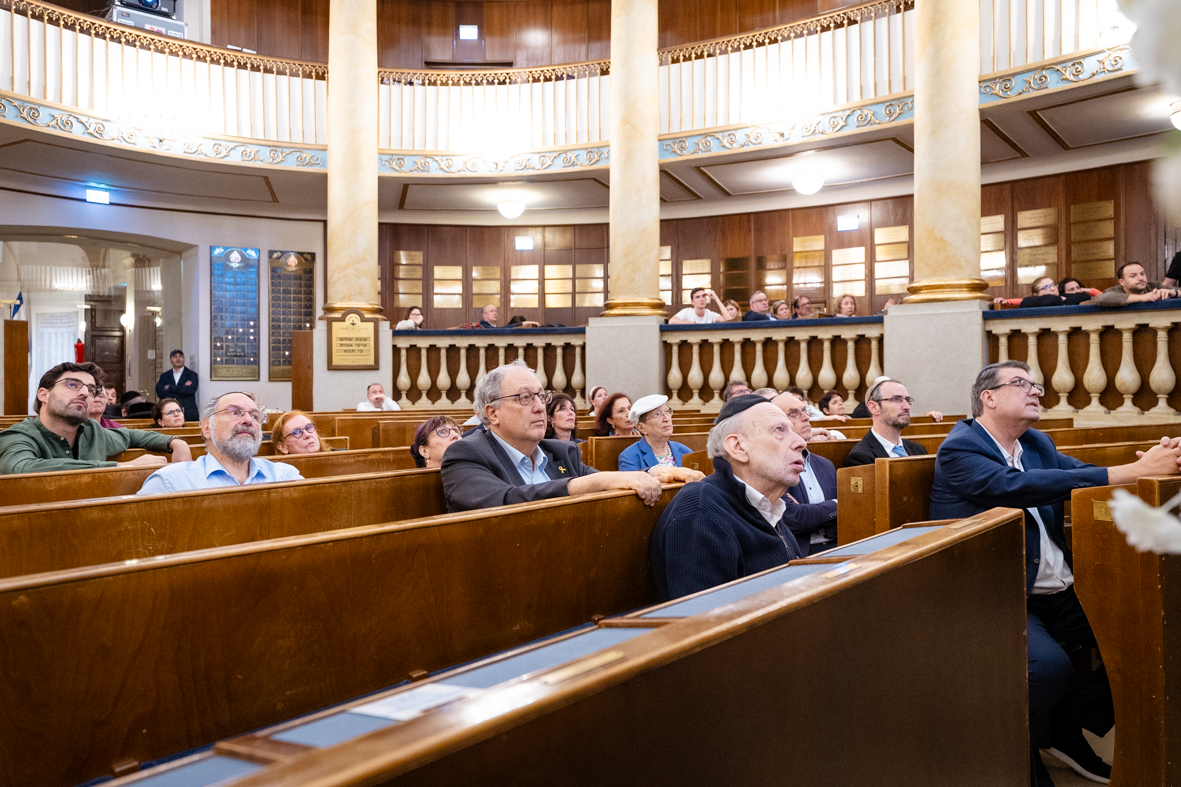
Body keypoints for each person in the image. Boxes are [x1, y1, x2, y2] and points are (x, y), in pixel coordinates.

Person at [930, 361, 1181, 786]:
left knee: (1155, 633)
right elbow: (1015, 487)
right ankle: (1020, 749)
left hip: (1056, 591)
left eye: (1037, 384)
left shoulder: (1037, 443)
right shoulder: (961, 449)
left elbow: (1078, 475)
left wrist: (1154, 463)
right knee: (1048, 667)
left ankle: (1067, 721)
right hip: (995, 593)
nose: (1036, 391)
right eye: (1022, 384)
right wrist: (1131, 472)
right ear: (987, 398)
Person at [440, 360, 697, 513]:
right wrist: (589, 484)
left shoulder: (561, 452)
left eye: (541, 396)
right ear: (492, 413)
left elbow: (601, 480)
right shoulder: (466, 454)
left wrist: (654, 474)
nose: (541, 406)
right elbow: (506, 503)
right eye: (525, 398)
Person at [649, 394, 806, 601]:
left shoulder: (766, 505)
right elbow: (705, 622)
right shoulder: (699, 511)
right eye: (779, 430)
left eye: (793, 431)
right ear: (738, 448)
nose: (801, 442)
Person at [0, 362, 192, 475]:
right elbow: (21, 468)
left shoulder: (93, 432)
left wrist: (176, 443)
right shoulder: (18, 436)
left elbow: (132, 436)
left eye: (91, 390)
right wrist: (121, 467)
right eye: (72, 385)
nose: (85, 393)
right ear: (44, 395)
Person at [137, 392, 303, 494]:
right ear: (207, 427)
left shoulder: (285, 477)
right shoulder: (171, 483)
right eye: (234, 412)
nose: (248, 420)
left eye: (254, 416)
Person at [772, 391, 838, 555]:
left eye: (805, 410)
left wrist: (810, 512)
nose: (806, 417)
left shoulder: (825, 465)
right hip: (798, 554)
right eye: (794, 413)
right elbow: (794, 518)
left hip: (838, 546)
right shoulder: (772, 467)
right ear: (776, 425)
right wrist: (837, 504)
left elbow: (849, 512)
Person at [843, 377, 930, 466]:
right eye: (896, 399)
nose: (906, 406)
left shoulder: (919, 450)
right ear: (874, 407)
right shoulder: (861, 457)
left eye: (907, 400)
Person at [618, 395, 694, 471]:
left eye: (667, 411)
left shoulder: (685, 451)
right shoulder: (630, 457)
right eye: (657, 414)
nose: (666, 419)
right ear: (641, 427)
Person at [1093, 261, 1180, 306]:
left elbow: (1177, 291)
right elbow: (1101, 299)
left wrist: (1174, 293)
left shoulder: (1154, 286)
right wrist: (1142, 298)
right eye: (1133, 276)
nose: (1140, 278)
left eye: (1142, 274)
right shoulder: (1115, 290)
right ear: (1122, 282)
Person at [155, 349, 200, 422]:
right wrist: (182, 388)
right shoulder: (165, 376)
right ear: (170, 360)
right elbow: (160, 393)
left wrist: (169, 387)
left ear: (184, 359)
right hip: (169, 412)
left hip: (188, 412)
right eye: (175, 357)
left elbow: (190, 390)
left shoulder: (192, 375)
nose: (178, 359)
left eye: (181, 356)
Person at [993, 277, 1094, 308]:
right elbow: (1025, 301)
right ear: (1036, 294)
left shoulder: (1067, 296)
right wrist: (1059, 299)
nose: (1052, 288)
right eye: (1046, 287)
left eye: (1053, 284)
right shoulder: (1032, 301)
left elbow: (1084, 297)